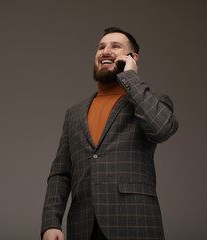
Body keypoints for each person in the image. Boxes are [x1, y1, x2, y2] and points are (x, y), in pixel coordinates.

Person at [41, 27, 179, 240]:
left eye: (116, 46)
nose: (105, 51)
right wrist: (51, 223)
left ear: (132, 57)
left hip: (135, 224)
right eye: (101, 47)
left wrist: (131, 77)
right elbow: (61, 173)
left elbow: (162, 129)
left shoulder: (151, 102)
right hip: (83, 227)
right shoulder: (74, 113)